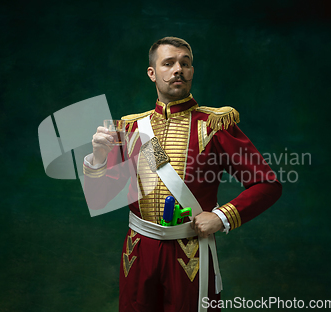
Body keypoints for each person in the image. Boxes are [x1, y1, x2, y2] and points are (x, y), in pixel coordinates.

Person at [83, 37, 282, 312]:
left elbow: (267, 184)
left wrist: (222, 216)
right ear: (152, 73)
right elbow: (102, 197)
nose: (179, 69)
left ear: (191, 71)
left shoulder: (215, 124)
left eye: (185, 63)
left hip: (191, 252)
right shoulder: (130, 129)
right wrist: (98, 158)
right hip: (138, 252)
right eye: (169, 63)